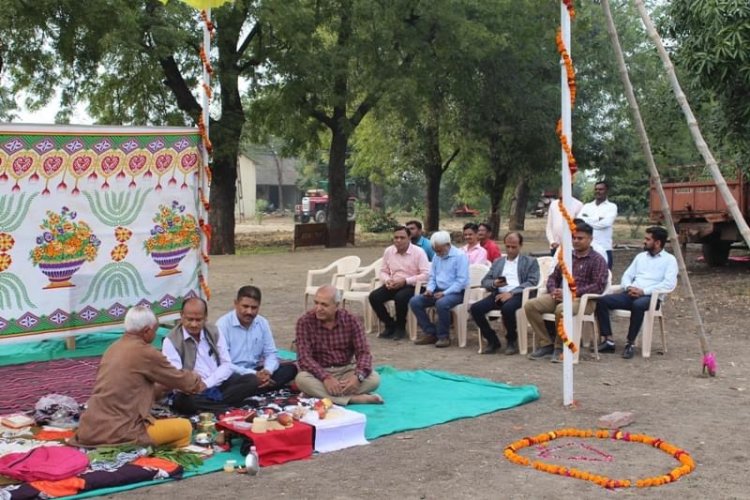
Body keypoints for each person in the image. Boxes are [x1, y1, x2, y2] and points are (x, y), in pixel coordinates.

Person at [71, 306, 205, 447]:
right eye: (155, 330)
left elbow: (137, 387)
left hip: (89, 429)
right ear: (147, 331)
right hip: (120, 432)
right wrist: (196, 380)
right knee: (184, 427)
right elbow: (182, 380)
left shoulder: (112, 348)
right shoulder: (145, 352)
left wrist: (167, 385)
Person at [524, 221, 608, 362]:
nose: (575, 241)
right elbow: (553, 277)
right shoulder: (567, 256)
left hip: (583, 300)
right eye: (573, 238)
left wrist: (571, 293)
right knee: (530, 306)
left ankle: (560, 347)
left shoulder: (597, 260)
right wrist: (553, 290)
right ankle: (546, 344)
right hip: (561, 296)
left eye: (580, 238)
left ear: (590, 239)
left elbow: (598, 286)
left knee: (562, 309)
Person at [162, 297, 256, 414]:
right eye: (189, 319)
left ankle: (213, 407)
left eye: (198, 320)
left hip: (215, 384)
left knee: (251, 380)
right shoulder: (171, 340)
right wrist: (194, 386)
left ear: (205, 317)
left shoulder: (214, 331)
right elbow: (176, 377)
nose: (194, 324)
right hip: (191, 392)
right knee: (187, 401)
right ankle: (225, 407)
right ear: (181, 316)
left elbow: (226, 364)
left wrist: (207, 384)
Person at [596, 226, 678, 359]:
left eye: (648, 239)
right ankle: (609, 340)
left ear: (657, 243)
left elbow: (669, 284)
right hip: (631, 293)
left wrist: (643, 291)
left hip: (651, 298)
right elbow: (627, 276)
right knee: (602, 300)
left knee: (638, 305)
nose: (644, 241)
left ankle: (630, 343)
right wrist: (629, 287)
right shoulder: (640, 257)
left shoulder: (670, 260)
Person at [295, 285, 383, 405]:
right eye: (316, 303)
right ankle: (353, 399)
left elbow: (364, 353)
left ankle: (321, 394)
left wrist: (357, 377)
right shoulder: (305, 322)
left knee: (374, 379)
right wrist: (326, 378)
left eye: (324, 305)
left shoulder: (351, 320)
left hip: (346, 370)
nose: (318, 308)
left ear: (337, 305)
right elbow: (304, 358)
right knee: (302, 380)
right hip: (319, 372)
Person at [216, 285, 298, 392]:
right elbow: (224, 363)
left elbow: (271, 353)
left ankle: (257, 387)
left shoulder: (262, 323)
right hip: (235, 373)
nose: (249, 312)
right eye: (245, 306)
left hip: (256, 370)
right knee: (227, 379)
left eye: (254, 308)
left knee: (290, 369)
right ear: (236, 304)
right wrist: (255, 375)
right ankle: (260, 387)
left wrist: (268, 371)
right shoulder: (223, 325)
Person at [469, 232, 539, 355]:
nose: (510, 250)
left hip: (519, 295)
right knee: (475, 308)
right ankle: (492, 340)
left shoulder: (530, 261)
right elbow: (485, 281)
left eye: (514, 247)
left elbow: (532, 282)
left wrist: (512, 293)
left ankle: (511, 340)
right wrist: (495, 283)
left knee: (507, 308)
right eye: (508, 246)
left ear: (520, 246)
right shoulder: (498, 262)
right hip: (498, 293)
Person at [368, 225, 430, 340]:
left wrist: (405, 281)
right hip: (394, 283)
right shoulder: (389, 251)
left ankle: (401, 327)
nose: (398, 240)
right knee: (374, 296)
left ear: (409, 238)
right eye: (396, 237)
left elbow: (426, 275)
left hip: (414, 285)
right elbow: (383, 271)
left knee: (400, 297)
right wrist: (387, 280)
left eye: (402, 238)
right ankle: (390, 324)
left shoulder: (419, 252)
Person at [409, 230, 469, 348]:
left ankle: (443, 336)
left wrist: (445, 293)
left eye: (439, 250)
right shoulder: (437, 256)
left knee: (442, 304)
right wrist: (430, 289)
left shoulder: (460, 256)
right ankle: (430, 332)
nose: (437, 252)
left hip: (455, 292)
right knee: (415, 301)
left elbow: (461, 281)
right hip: (437, 290)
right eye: (435, 250)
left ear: (448, 245)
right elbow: (432, 277)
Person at [579, 181, 618, 269]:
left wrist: (587, 221)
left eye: (601, 189)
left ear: (606, 191)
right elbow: (579, 222)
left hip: (604, 247)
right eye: (596, 189)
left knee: (605, 278)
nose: (598, 191)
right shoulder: (587, 206)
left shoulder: (612, 207)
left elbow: (606, 223)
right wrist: (597, 219)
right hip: (587, 249)